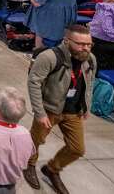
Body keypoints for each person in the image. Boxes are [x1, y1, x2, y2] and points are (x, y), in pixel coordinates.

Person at [23, 24, 97, 194]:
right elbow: (34, 82)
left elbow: (90, 82)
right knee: (36, 141)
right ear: (66, 41)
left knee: (77, 149)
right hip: (50, 109)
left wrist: (87, 105)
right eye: (80, 44)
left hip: (74, 111)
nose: (85, 48)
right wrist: (40, 112)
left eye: (89, 44)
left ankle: (52, 169)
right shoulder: (49, 57)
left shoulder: (90, 59)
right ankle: (29, 164)